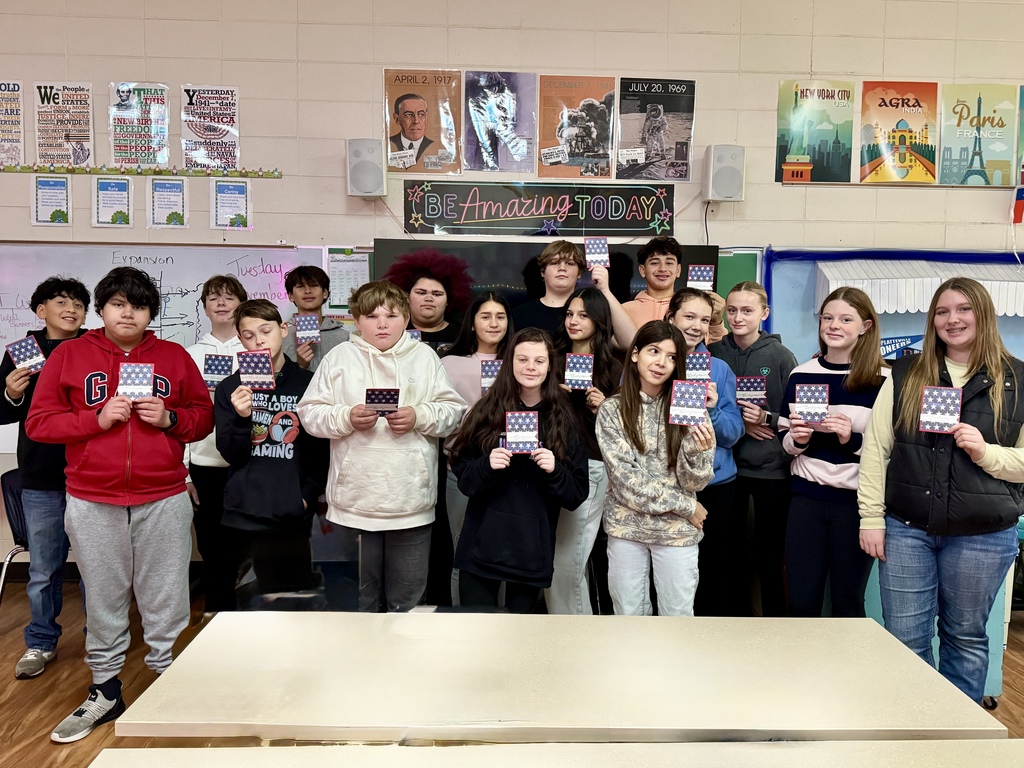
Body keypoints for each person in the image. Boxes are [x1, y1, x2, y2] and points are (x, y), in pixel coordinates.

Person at [26, 266, 213, 743]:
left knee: (166, 597)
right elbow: (40, 424)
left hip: (163, 496)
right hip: (92, 499)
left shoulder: (173, 356)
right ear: (102, 309)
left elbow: (201, 419)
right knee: (105, 599)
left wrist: (170, 418)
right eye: (117, 304)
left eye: (139, 305)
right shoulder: (69, 354)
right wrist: (96, 418)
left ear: (152, 312)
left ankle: (170, 682)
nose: (128, 313)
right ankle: (105, 691)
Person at [859, 277, 1024, 704]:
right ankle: (915, 735)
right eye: (942, 311)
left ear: (983, 314)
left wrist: (986, 452)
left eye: (963, 309)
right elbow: (876, 449)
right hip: (906, 528)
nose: (953, 319)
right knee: (904, 640)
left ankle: (957, 743)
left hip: (983, 534)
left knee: (964, 638)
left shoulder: (1018, 380)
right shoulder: (907, 373)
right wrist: (871, 518)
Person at [297, 281, 465, 612]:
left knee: (408, 602)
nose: (383, 323)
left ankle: (404, 664)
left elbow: (454, 413)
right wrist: (346, 417)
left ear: (406, 318)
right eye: (372, 316)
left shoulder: (426, 358)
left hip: (411, 504)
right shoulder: (339, 358)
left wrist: (419, 415)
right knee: (357, 602)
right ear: (357, 321)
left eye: (391, 315)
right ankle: (360, 663)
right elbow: (309, 415)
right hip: (352, 505)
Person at [448, 328, 589, 612]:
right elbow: (465, 479)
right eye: (523, 359)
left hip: (530, 553)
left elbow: (576, 495)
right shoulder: (486, 410)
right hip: (481, 549)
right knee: (476, 633)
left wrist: (555, 471)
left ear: (550, 365)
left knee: (518, 640)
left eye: (539, 361)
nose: (530, 368)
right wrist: (487, 466)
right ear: (510, 361)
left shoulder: (564, 418)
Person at [780, 287, 888, 619]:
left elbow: (888, 452)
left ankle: (846, 671)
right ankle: (799, 669)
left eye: (845, 319)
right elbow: (785, 441)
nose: (834, 325)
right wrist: (798, 439)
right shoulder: (802, 373)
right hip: (806, 501)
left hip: (856, 505)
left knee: (847, 602)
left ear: (865, 327)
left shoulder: (884, 380)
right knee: (800, 601)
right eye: (827, 317)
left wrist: (850, 438)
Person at [1, 276, 89, 680]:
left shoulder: (95, 346)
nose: (70, 309)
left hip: (90, 473)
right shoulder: (23, 352)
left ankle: (99, 639)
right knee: (43, 569)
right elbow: (3, 412)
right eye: (60, 302)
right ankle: (40, 642)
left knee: (96, 566)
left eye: (78, 304)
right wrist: (11, 394)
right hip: (40, 475)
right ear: (41, 311)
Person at [596, 321, 716, 616]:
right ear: (635, 354)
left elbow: (695, 482)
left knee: (677, 615)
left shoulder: (689, 406)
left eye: (672, 357)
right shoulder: (612, 409)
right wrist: (686, 506)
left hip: (676, 533)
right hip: (627, 527)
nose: (661, 363)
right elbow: (626, 481)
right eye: (654, 351)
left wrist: (695, 451)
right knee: (629, 614)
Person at [215, 300, 329, 600]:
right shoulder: (230, 387)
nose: (258, 340)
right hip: (242, 512)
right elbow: (229, 453)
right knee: (240, 604)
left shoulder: (309, 384)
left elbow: (320, 451)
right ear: (239, 339)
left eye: (265, 331)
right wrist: (242, 420)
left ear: (283, 329)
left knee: (289, 603)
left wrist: (305, 496)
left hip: (290, 511)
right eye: (248, 335)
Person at [710, 281, 797, 616]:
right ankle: (733, 620)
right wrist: (739, 422)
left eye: (747, 310)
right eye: (731, 310)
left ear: (764, 313)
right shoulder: (715, 354)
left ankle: (774, 625)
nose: (738, 317)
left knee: (769, 555)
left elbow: (798, 416)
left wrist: (769, 418)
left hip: (772, 473)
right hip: (728, 472)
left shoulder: (780, 357)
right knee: (730, 554)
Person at [666, 288, 744, 616]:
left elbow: (733, 433)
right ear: (671, 318)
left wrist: (711, 409)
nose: (697, 325)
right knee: (669, 573)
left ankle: (710, 643)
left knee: (711, 570)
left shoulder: (720, 369)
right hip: (666, 487)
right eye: (689, 317)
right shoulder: (648, 361)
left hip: (714, 486)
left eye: (704, 319)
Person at [546, 288, 623, 614]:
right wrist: (553, 398)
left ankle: (571, 638)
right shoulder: (550, 361)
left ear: (599, 320)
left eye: (583, 315)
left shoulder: (615, 368)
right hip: (548, 466)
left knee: (568, 560)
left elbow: (630, 431)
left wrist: (604, 408)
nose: (574, 321)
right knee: (559, 560)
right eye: (569, 314)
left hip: (591, 465)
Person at [439, 292, 513, 603]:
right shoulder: (449, 363)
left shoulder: (519, 361)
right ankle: (463, 625)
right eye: (485, 316)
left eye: (500, 316)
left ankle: (506, 626)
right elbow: (439, 418)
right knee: (463, 552)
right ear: (472, 323)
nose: (494, 323)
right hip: (463, 469)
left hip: (509, 470)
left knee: (507, 556)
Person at [184, 275, 247, 613]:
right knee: (210, 541)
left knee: (245, 541)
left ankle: (244, 608)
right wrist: (184, 474)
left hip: (246, 460)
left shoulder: (255, 353)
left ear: (241, 304)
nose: (221, 303)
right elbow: (179, 416)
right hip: (204, 462)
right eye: (213, 298)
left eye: (229, 297)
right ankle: (215, 609)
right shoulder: (190, 354)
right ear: (205, 307)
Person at [382, 248, 474, 349]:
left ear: (448, 301)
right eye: (421, 293)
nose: (429, 298)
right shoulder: (392, 334)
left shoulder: (464, 336)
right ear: (407, 297)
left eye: (437, 294)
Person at [280, 265, 350, 372]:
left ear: (325, 293)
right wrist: (299, 366)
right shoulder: (281, 337)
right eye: (300, 286)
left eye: (313, 285)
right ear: (291, 296)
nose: (307, 291)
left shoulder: (344, 338)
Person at [512, 241, 584, 335]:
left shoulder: (590, 313)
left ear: (579, 273)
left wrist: (605, 290)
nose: (562, 268)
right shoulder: (519, 315)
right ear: (543, 271)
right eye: (554, 263)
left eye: (569, 263)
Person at [621, 236, 683, 327]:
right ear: (642, 270)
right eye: (654, 263)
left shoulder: (689, 309)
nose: (662, 269)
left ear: (678, 270)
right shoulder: (623, 311)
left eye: (669, 263)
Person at [390, 93, 434, 160]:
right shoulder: (388, 144)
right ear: (397, 118)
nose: (416, 121)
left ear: (426, 117)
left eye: (421, 114)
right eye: (409, 115)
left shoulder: (435, 146)